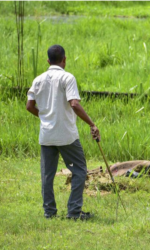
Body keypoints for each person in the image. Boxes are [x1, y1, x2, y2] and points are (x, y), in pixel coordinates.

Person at [26, 45, 100, 220]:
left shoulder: (38, 79)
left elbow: (29, 106)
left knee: (47, 175)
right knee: (80, 170)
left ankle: (49, 212)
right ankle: (74, 212)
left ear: (48, 61)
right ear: (64, 60)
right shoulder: (67, 78)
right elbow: (74, 103)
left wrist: (45, 117)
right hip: (66, 136)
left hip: (47, 135)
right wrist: (91, 124)